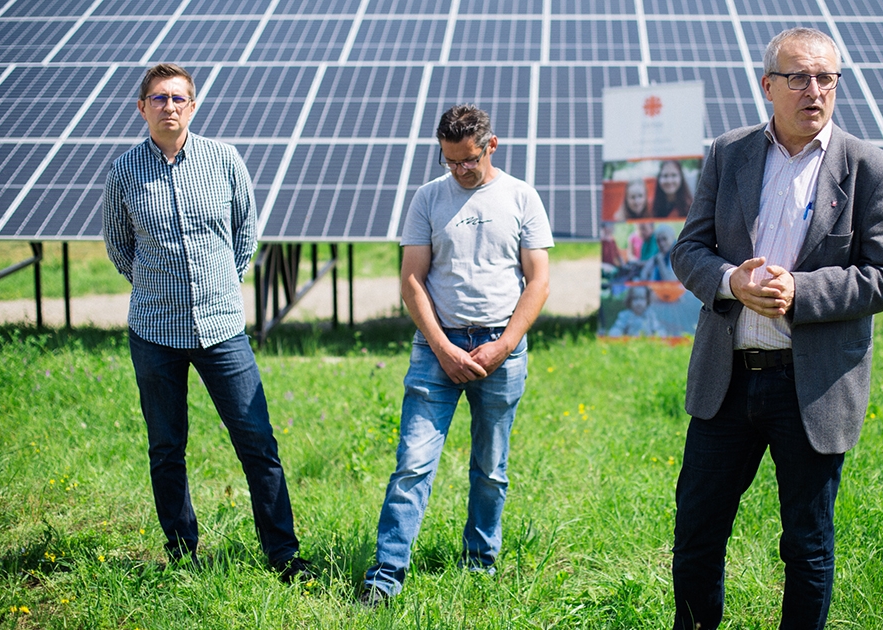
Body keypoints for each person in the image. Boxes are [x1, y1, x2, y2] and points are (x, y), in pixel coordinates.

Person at [669, 28, 883, 629]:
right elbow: (688, 250)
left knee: (805, 544)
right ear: (767, 86)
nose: (814, 90)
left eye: (826, 78)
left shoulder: (870, 169)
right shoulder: (730, 153)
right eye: (799, 77)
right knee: (697, 531)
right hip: (727, 381)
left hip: (813, 388)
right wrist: (731, 282)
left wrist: (802, 291)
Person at [102, 63, 313, 583]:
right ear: (141, 108)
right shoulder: (124, 172)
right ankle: (182, 555)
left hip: (223, 330)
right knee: (167, 448)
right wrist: (159, 289)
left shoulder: (223, 160)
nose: (169, 106)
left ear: (192, 106)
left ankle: (283, 556)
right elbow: (118, 247)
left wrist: (221, 285)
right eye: (158, 98)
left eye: (178, 98)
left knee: (257, 441)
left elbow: (246, 232)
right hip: (154, 331)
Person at [360, 104, 553, 607]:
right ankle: (385, 576)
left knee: (491, 466)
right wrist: (443, 348)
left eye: (469, 160)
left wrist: (504, 344)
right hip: (436, 347)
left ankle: (480, 563)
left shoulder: (521, 197)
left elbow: (539, 281)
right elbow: (411, 280)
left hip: (501, 348)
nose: (461, 171)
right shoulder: (428, 198)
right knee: (413, 463)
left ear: (491, 145)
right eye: (451, 162)